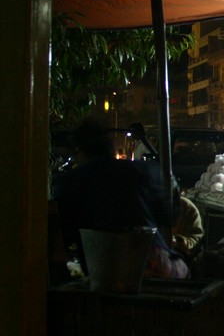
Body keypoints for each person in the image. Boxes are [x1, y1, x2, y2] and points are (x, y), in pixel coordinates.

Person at [53, 117, 189, 279]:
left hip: (102, 274)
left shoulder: (69, 182)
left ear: (79, 151)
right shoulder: (144, 171)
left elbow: (63, 234)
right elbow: (170, 215)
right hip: (155, 266)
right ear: (109, 147)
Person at [170, 191, 204, 277]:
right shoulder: (146, 206)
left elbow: (195, 240)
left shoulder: (186, 207)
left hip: (179, 260)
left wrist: (180, 241)